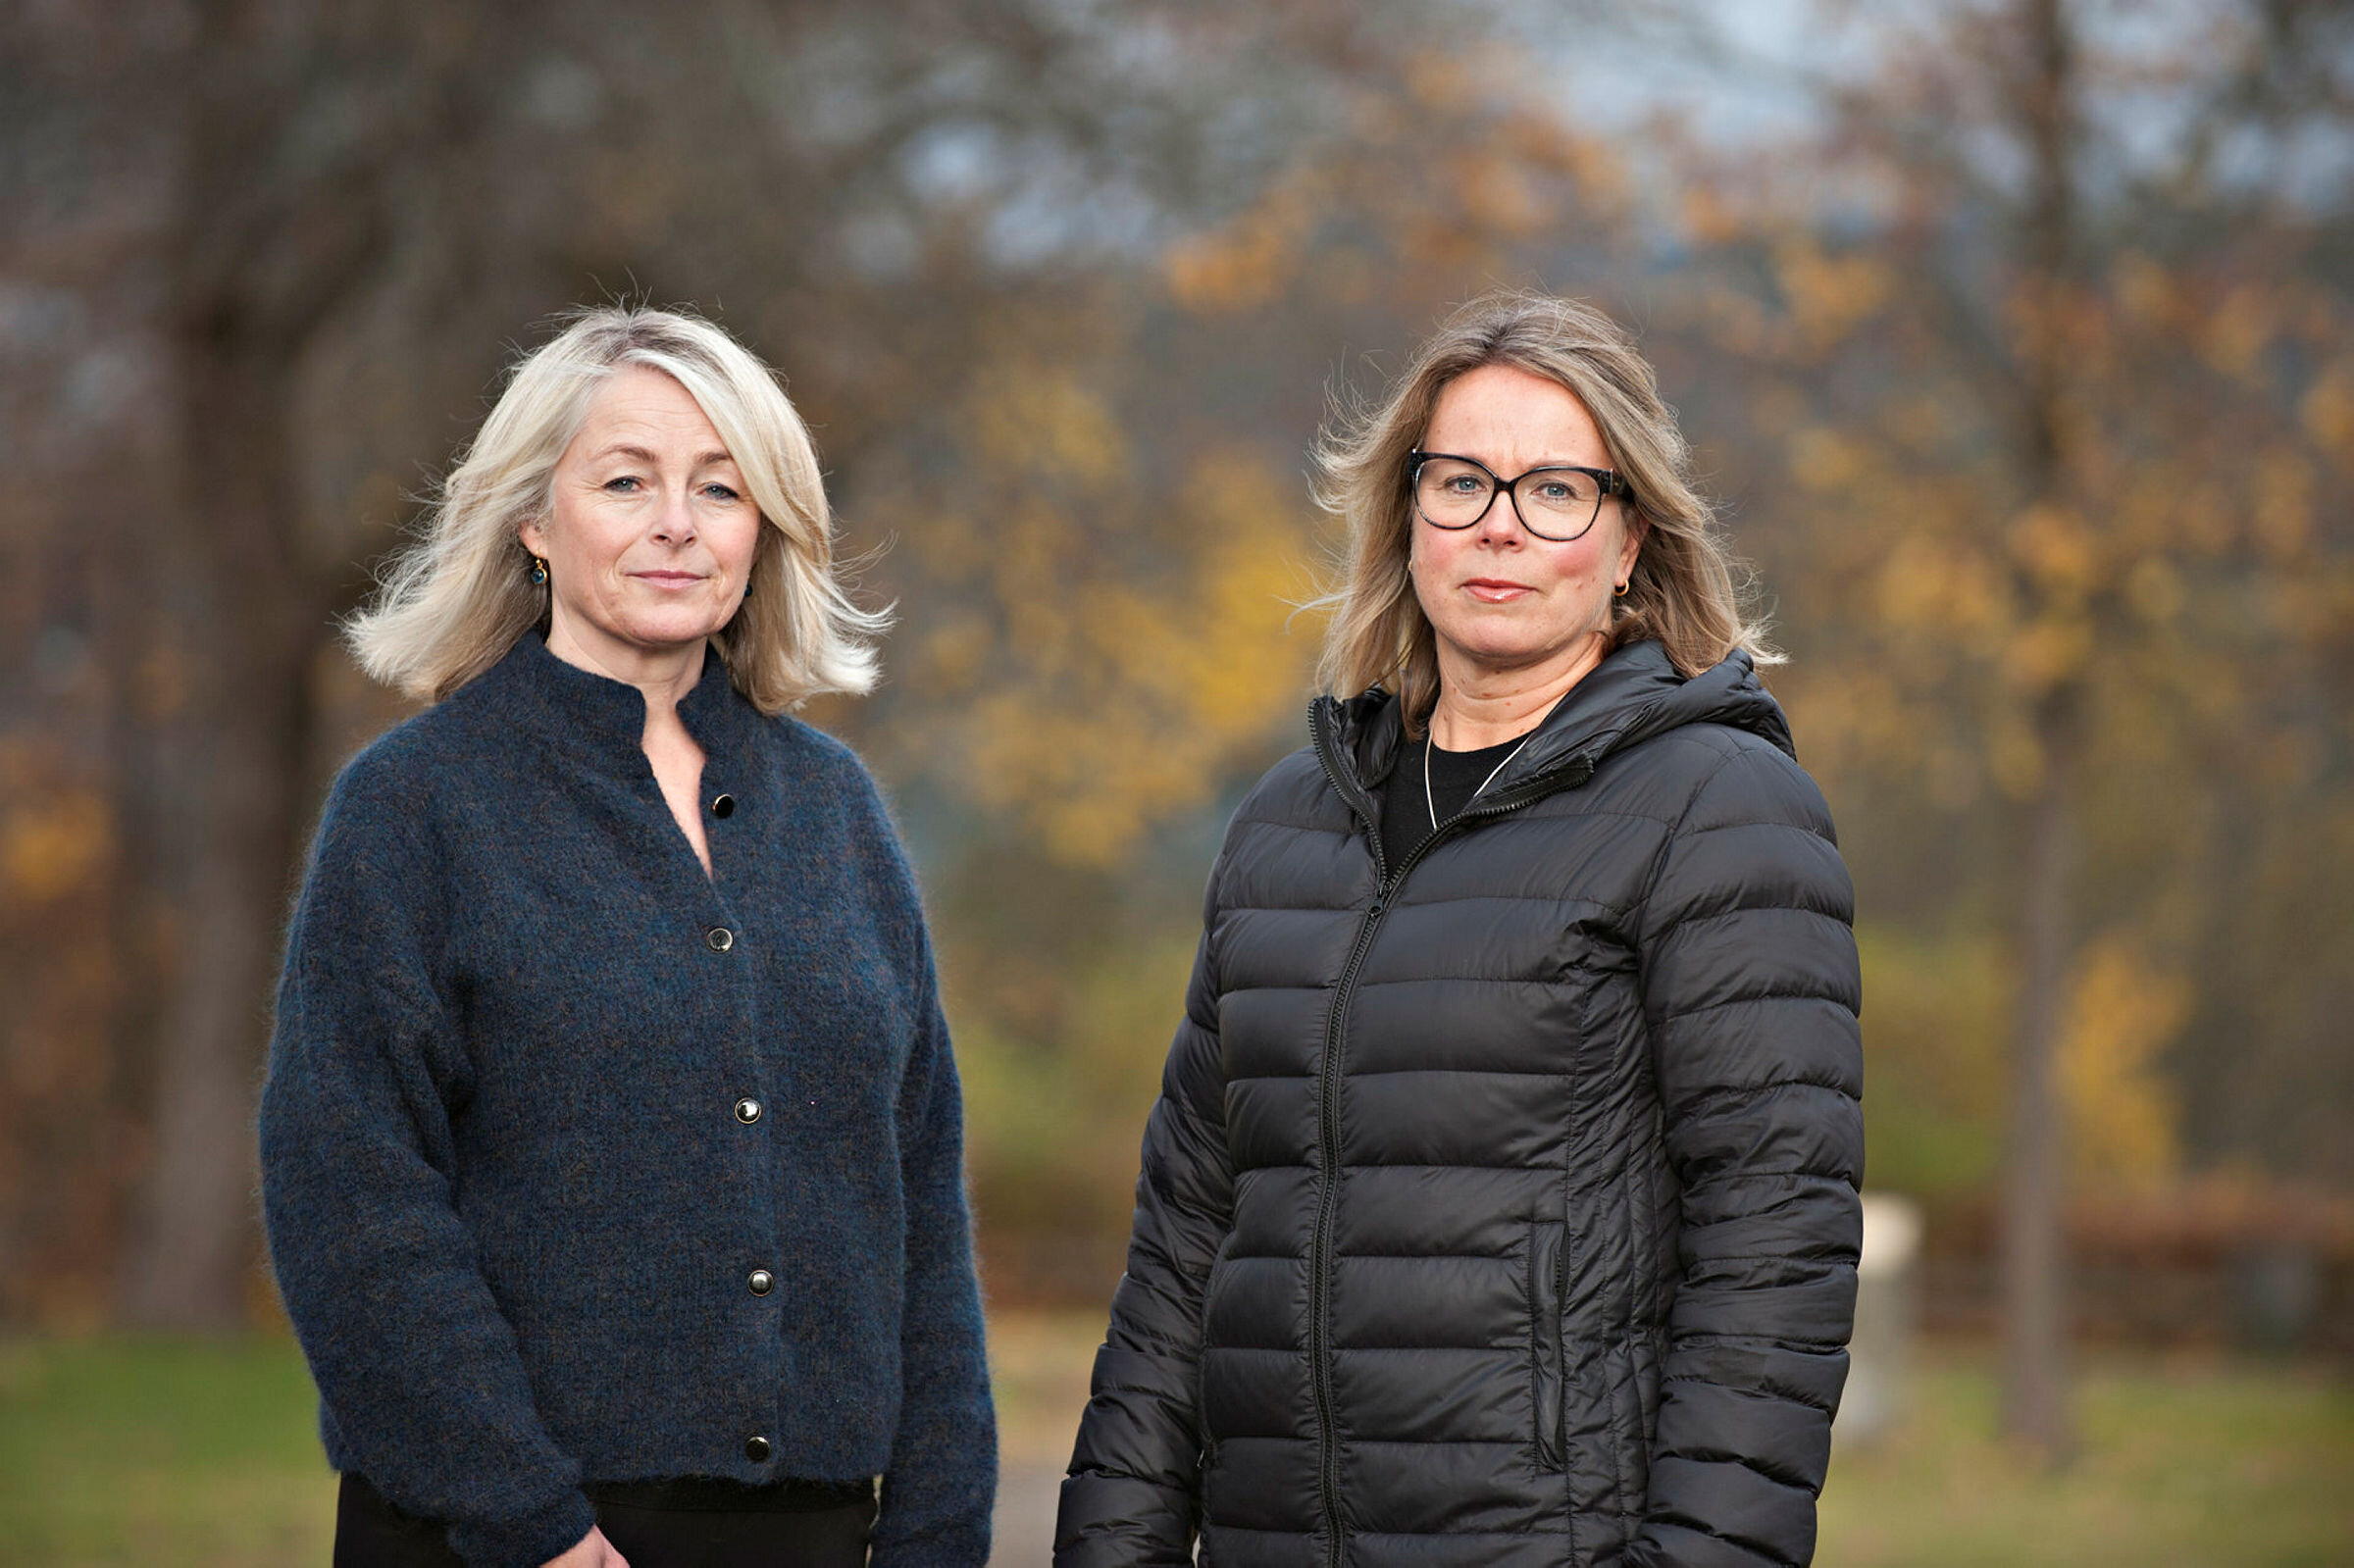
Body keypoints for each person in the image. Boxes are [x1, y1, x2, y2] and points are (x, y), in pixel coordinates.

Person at [1055, 290, 1863, 1568]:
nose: (1499, 523)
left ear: (1628, 537)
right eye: (1461, 480)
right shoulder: (1286, 826)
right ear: (1406, 514)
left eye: (1555, 489)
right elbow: (1181, 1249)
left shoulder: (1720, 808)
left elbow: (1775, 1249)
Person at [259, 307, 995, 1568]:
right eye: (625, 481)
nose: (677, 523)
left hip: (813, 1536)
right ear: (534, 522)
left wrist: (937, 1526)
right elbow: (350, 1198)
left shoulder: (836, 812)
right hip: (502, 1535)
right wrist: (524, 1517)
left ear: (763, 531)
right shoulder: (417, 810)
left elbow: (919, 1192)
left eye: (720, 487)